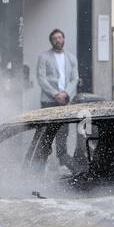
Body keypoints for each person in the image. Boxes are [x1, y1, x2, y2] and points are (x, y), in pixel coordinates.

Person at [36, 29, 79, 165]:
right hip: (49, 100)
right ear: (51, 41)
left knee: (63, 132)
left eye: (60, 37)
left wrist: (66, 93)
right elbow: (41, 78)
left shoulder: (71, 58)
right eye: (55, 38)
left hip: (65, 101)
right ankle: (43, 162)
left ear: (64, 39)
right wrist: (55, 94)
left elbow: (75, 78)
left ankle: (62, 161)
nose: (58, 40)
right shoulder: (44, 57)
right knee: (46, 132)